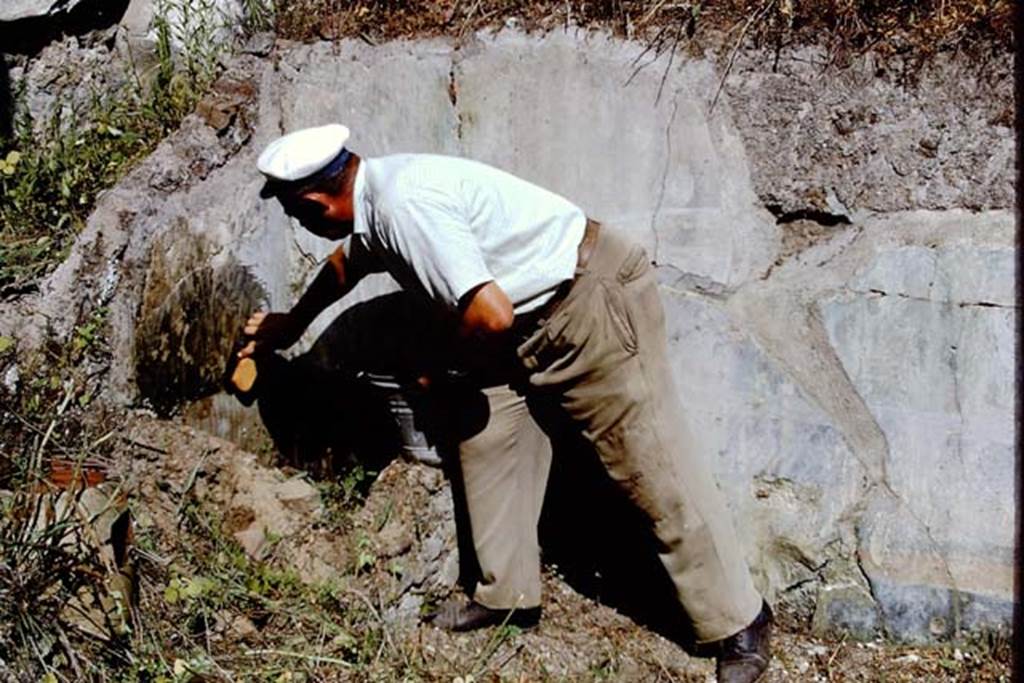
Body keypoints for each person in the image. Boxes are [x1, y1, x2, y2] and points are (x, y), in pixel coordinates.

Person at [242, 123, 773, 682]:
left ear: (315, 199)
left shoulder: (405, 206)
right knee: (488, 436)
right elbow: (348, 265)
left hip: (585, 306)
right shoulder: (375, 193)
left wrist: (440, 370)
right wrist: (291, 322)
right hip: (522, 323)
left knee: (651, 465)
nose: (299, 226)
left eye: (296, 215)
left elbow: (488, 315)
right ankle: (506, 596)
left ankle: (739, 622)